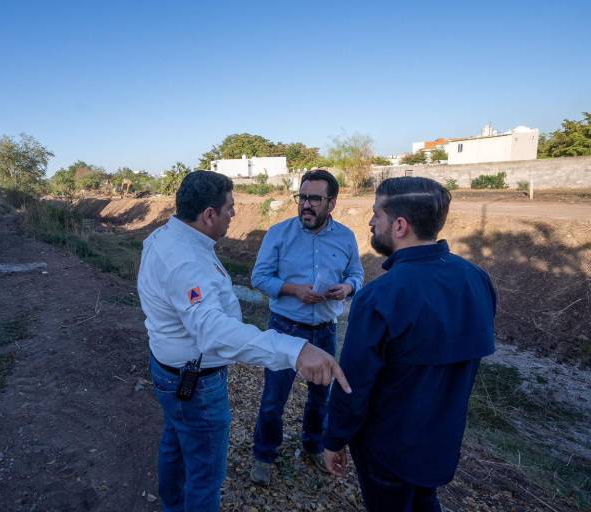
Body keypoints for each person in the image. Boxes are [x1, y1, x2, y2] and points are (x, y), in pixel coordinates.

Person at [137, 170, 351, 512]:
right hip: (195, 380)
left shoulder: (168, 238)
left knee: (175, 442)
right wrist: (294, 350)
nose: (235, 213)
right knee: (205, 474)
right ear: (209, 214)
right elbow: (213, 331)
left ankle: (173, 505)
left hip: (170, 368)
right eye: (230, 208)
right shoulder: (186, 261)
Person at [323, 177, 497, 511]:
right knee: (424, 500)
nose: (371, 222)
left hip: (387, 451)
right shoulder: (477, 279)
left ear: (400, 225)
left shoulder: (379, 297)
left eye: (377, 214)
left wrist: (334, 438)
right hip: (441, 445)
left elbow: (353, 383)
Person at [249, 169, 364, 485]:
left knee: (320, 397)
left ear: (332, 202)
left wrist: (347, 288)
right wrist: (293, 290)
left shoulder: (346, 237)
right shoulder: (279, 233)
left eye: (315, 198)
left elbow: (356, 274)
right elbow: (259, 277)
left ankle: (313, 446)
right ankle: (263, 455)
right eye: (302, 197)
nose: (306, 205)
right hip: (284, 327)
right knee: (273, 398)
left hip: (325, 330)